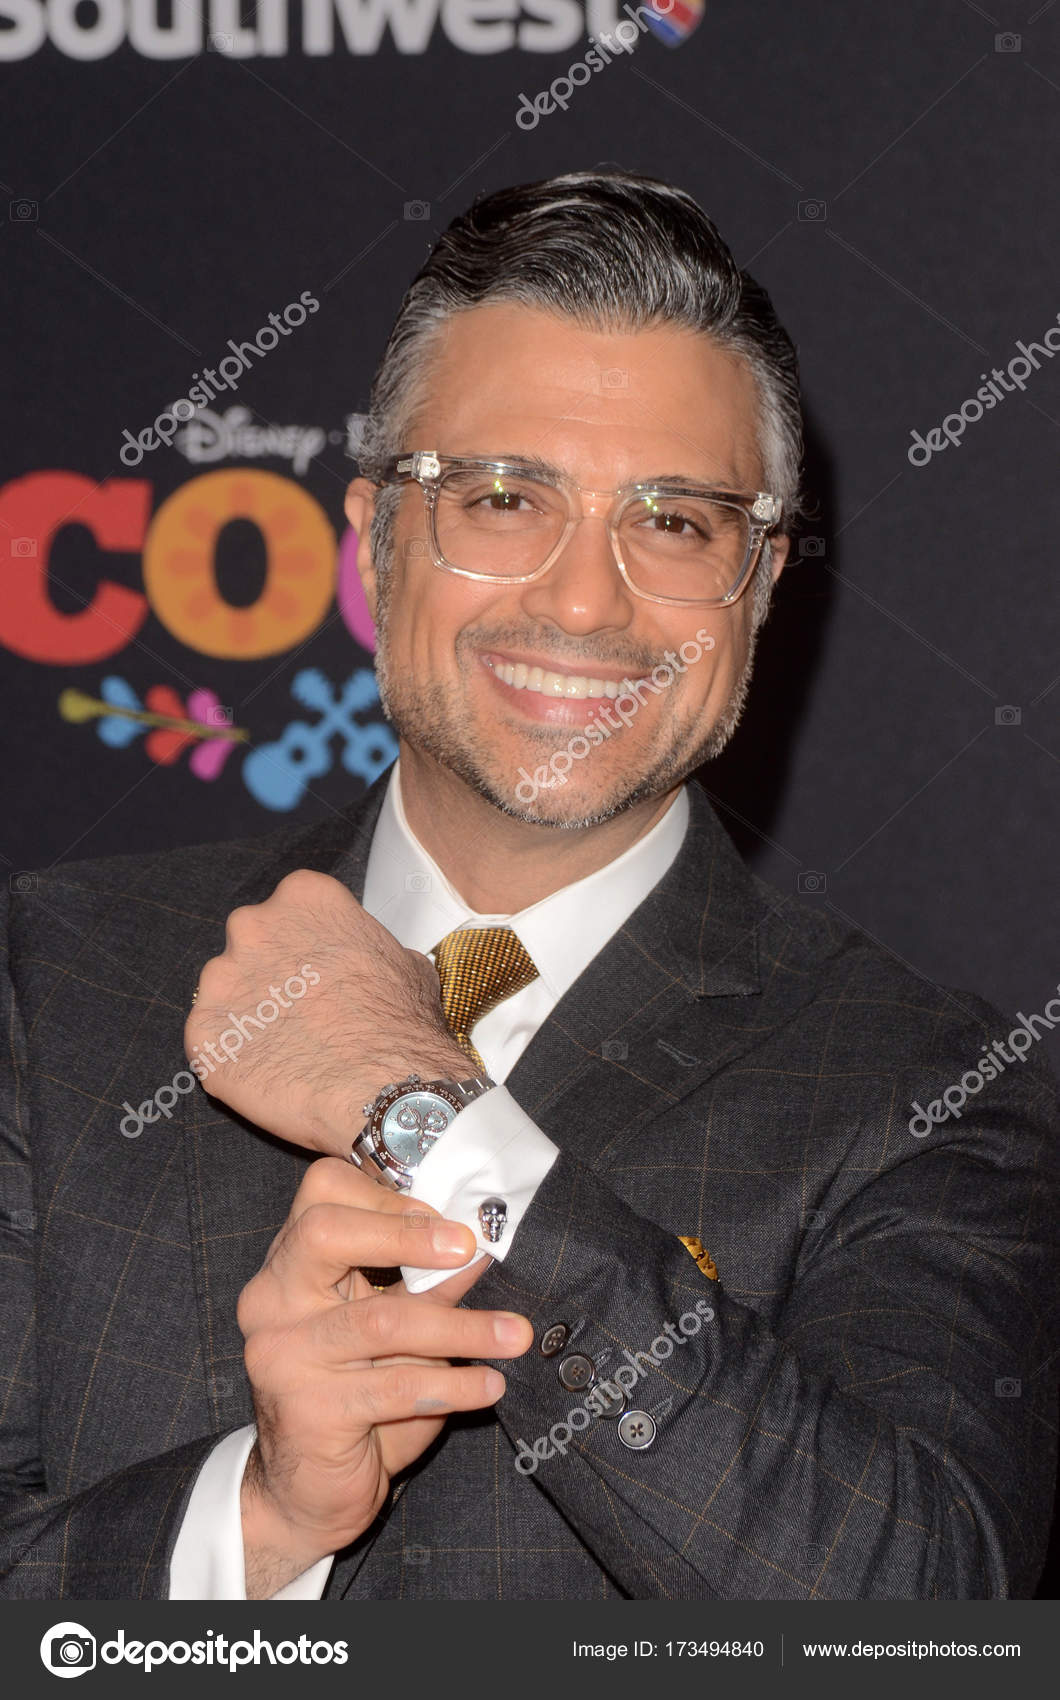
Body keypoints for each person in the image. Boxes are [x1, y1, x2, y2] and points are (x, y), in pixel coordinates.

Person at [1, 170, 1057, 1602]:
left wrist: (430, 1120)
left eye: (675, 522)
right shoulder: (54, 980)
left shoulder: (933, 1092)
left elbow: (914, 1616)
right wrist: (250, 1523)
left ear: (755, 588)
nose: (582, 601)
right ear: (376, 539)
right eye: (503, 499)